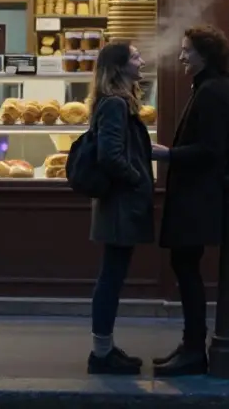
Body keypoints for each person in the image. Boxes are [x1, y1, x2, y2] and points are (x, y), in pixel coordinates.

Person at [150, 25, 229, 377]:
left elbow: (212, 150)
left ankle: (194, 350)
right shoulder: (206, 87)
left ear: (205, 55)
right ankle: (190, 345)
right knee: (184, 270)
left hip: (197, 198)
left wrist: (167, 155)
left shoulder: (212, 92)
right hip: (193, 196)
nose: (182, 55)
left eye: (188, 50)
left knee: (187, 272)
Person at [85, 40, 155, 375]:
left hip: (119, 203)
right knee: (111, 278)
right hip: (119, 205)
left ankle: (106, 347)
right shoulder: (114, 104)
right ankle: (101, 354)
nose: (141, 60)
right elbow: (110, 155)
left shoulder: (115, 103)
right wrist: (138, 178)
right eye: (135, 56)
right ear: (119, 66)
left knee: (112, 275)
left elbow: (122, 147)